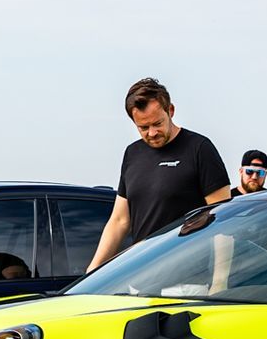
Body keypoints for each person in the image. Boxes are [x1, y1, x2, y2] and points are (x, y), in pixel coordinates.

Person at [87, 78, 230, 271]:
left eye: (157, 123)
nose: (152, 133)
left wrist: (219, 283)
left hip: (189, 279)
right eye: (143, 128)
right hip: (140, 276)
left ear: (170, 111)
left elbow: (222, 222)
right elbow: (120, 220)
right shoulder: (132, 154)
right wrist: (93, 269)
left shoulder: (199, 149)